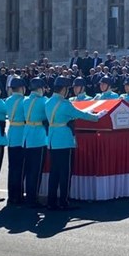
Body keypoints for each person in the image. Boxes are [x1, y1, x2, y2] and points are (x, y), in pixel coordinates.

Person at [44, 76, 104, 211]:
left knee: (54, 173)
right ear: (64, 89)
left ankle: (51, 201)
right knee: (65, 173)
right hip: (64, 141)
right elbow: (81, 114)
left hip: (52, 141)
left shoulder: (48, 103)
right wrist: (97, 116)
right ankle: (64, 202)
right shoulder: (65, 104)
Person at [21, 77, 49, 209]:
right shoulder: (44, 101)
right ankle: (33, 198)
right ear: (40, 88)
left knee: (28, 168)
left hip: (26, 137)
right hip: (38, 137)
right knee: (36, 170)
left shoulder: (25, 100)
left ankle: (29, 196)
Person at [3, 76, 28, 206]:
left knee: (12, 167)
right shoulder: (24, 101)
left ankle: (11, 195)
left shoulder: (7, 100)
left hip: (11, 133)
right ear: (22, 88)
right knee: (20, 168)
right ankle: (18, 195)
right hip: (21, 135)